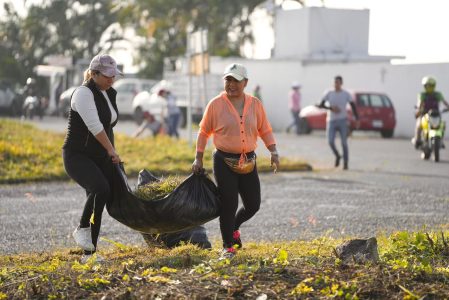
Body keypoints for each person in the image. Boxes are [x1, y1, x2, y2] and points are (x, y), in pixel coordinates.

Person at [191, 63, 280, 260]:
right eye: (228, 80)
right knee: (228, 203)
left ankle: (234, 228)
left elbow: (264, 129)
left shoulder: (255, 104)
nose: (231, 84)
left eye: (236, 80)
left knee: (253, 204)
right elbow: (204, 131)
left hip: (248, 160)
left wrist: (273, 151)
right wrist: (198, 157)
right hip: (223, 160)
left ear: (245, 83)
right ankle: (227, 246)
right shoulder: (216, 104)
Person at [62, 53, 123, 263]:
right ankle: (81, 227)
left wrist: (113, 155)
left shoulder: (107, 92)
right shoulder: (83, 93)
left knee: (101, 198)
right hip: (77, 155)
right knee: (100, 188)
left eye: (114, 75)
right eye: (107, 75)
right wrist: (111, 150)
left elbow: (109, 126)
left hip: (99, 156)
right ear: (94, 73)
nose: (111, 79)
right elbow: (95, 126)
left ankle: (90, 255)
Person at [318, 75, 359, 170]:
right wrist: (331, 108)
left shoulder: (346, 94)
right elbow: (321, 105)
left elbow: (353, 106)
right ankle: (337, 155)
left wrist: (357, 118)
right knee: (330, 141)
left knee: (344, 142)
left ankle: (345, 162)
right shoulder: (329, 93)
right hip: (331, 120)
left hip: (342, 120)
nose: (336, 84)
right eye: (334, 82)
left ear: (341, 83)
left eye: (338, 82)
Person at [412, 76, 449, 148]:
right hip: (425, 114)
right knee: (419, 125)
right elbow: (420, 103)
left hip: (436, 115)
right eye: (426, 86)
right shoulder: (422, 95)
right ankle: (418, 140)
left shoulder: (437, 94)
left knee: (442, 125)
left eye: (429, 85)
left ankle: (440, 140)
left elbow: (444, 102)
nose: (428, 87)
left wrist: (448, 107)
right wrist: (419, 110)